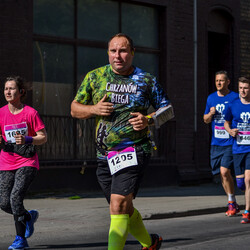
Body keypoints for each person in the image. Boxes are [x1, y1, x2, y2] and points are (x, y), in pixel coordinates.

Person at [71, 33, 173, 250]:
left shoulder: (146, 80)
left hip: (134, 150)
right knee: (123, 208)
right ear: (108, 53)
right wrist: (94, 109)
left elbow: (168, 111)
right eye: (113, 51)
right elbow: (74, 109)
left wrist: (149, 120)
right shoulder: (95, 77)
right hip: (104, 156)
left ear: (132, 53)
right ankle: (151, 243)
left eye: (123, 50)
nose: (118, 55)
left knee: (117, 205)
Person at [0, 76, 47, 249]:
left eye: (12, 88)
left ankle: (20, 239)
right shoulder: (1, 113)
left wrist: (27, 139)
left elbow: (43, 137)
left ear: (20, 92)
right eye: (6, 89)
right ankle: (28, 217)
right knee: (4, 202)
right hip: (6, 161)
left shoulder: (30, 113)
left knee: (15, 198)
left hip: (27, 161)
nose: (8, 92)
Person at [203, 71, 239, 216]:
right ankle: (233, 201)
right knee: (221, 174)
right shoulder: (211, 98)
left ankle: (231, 203)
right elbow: (205, 119)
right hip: (216, 142)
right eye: (217, 80)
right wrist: (211, 114)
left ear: (228, 82)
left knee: (225, 171)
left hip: (230, 141)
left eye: (222, 81)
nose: (219, 83)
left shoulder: (235, 98)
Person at [224, 76, 250, 223]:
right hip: (238, 148)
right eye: (240, 88)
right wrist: (230, 131)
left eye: (245, 88)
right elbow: (226, 123)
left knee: (248, 179)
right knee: (241, 184)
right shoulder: (233, 105)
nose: (243, 91)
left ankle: (247, 212)